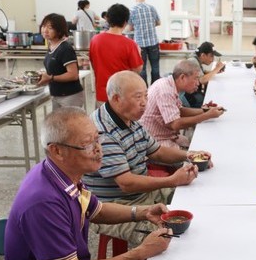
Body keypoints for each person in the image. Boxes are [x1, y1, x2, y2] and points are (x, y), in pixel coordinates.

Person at [4, 107, 172, 260]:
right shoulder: (43, 202)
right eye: (87, 144)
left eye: (98, 139)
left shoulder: (63, 176)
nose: (98, 149)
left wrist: (142, 212)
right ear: (57, 151)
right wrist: (139, 252)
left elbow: (98, 210)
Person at [83, 71, 204, 245]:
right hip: (117, 205)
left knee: (195, 199)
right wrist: (171, 180)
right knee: (169, 237)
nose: (144, 103)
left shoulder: (130, 118)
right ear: (116, 99)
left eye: (146, 96)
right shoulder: (102, 132)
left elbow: (157, 151)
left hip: (142, 195)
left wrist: (190, 155)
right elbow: (126, 183)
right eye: (138, 97)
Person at [141, 59, 225, 149]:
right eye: (196, 78)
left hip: (164, 134)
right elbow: (176, 124)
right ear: (182, 77)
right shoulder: (165, 91)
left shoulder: (170, 85)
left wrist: (205, 111)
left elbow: (179, 110)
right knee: (194, 154)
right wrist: (207, 116)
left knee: (190, 143)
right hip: (153, 140)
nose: (198, 83)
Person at [89, 3, 143, 106]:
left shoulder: (95, 40)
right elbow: (137, 70)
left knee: (100, 121)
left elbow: (93, 64)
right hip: (122, 96)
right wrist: (138, 54)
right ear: (125, 22)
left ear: (108, 19)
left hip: (102, 94)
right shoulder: (129, 44)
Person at [37, 13, 85, 110]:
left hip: (70, 96)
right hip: (57, 94)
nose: (45, 30)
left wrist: (51, 78)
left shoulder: (65, 48)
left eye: (50, 28)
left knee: (70, 124)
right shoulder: (51, 46)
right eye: (44, 26)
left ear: (59, 30)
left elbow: (73, 74)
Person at [128, 0, 161, 85]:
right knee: (155, 67)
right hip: (153, 42)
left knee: (142, 68)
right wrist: (150, 25)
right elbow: (158, 22)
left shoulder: (132, 10)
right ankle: (155, 88)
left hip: (140, 44)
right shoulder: (152, 8)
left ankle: (144, 90)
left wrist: (139, 27)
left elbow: (130, 28)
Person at [180, 41, 225, 108]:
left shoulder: (195, 58)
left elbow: (202, 73)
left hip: (190, 90)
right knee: (207, 100)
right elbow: (202, 80)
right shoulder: (192, 61)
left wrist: (215, 71)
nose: (212, 60)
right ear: (203, 55)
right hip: (184, 95)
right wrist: (216, 69)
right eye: (211, 56)